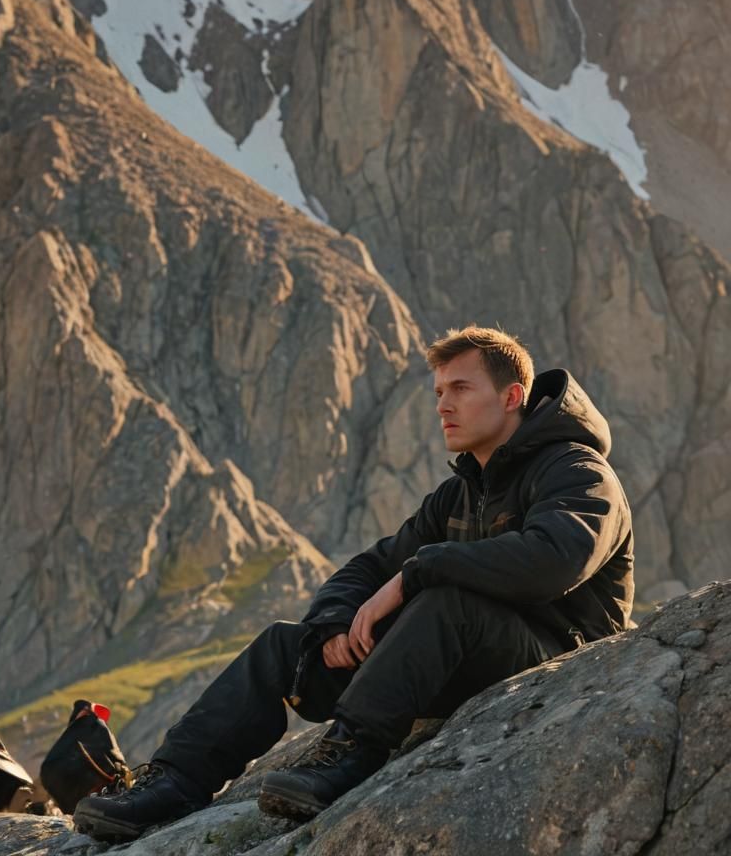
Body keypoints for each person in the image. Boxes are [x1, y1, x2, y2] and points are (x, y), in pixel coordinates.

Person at [73, 326, 634, 840]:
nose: (443, 405)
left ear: (512, 397)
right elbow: (372, 566)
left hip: (558, 658)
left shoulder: (577, 469)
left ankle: (350, 751)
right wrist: (335, 623)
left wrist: (415, 576)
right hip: (452, 654)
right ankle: (174, 780)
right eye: (438, 392)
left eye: (460, 388)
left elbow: (555, 560)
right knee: (284, 646)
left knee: (446, 600)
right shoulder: (463, 491)